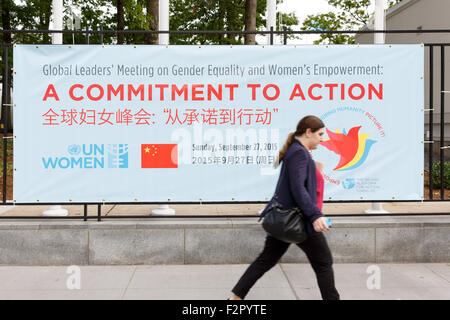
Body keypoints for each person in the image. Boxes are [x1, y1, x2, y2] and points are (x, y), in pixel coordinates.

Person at [229, 115, 340, 300]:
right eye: (320, 134)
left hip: (288, 219)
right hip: (299, 219)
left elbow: (298, 184)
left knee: (266, 260)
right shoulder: (299, 153)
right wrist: (315, 215)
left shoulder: (298, 151)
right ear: (308, 132)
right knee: (323, 262)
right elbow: (298, 189)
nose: (322, 139)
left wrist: (315, 171)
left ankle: (235, 299)